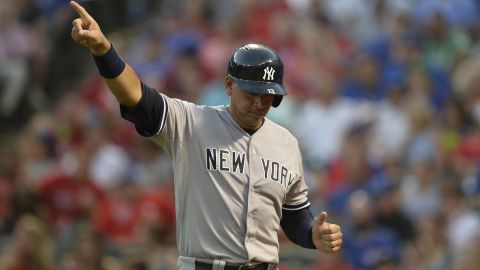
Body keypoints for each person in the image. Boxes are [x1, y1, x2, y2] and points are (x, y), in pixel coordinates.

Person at [69, 1, 343, 269]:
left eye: (268, 96)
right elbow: (137, 98)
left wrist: (311, 234)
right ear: (228, 85)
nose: (260, 103)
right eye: (251, 93)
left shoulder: (286, 143)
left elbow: (294, 215)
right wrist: (103, 50)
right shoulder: (192, 123)